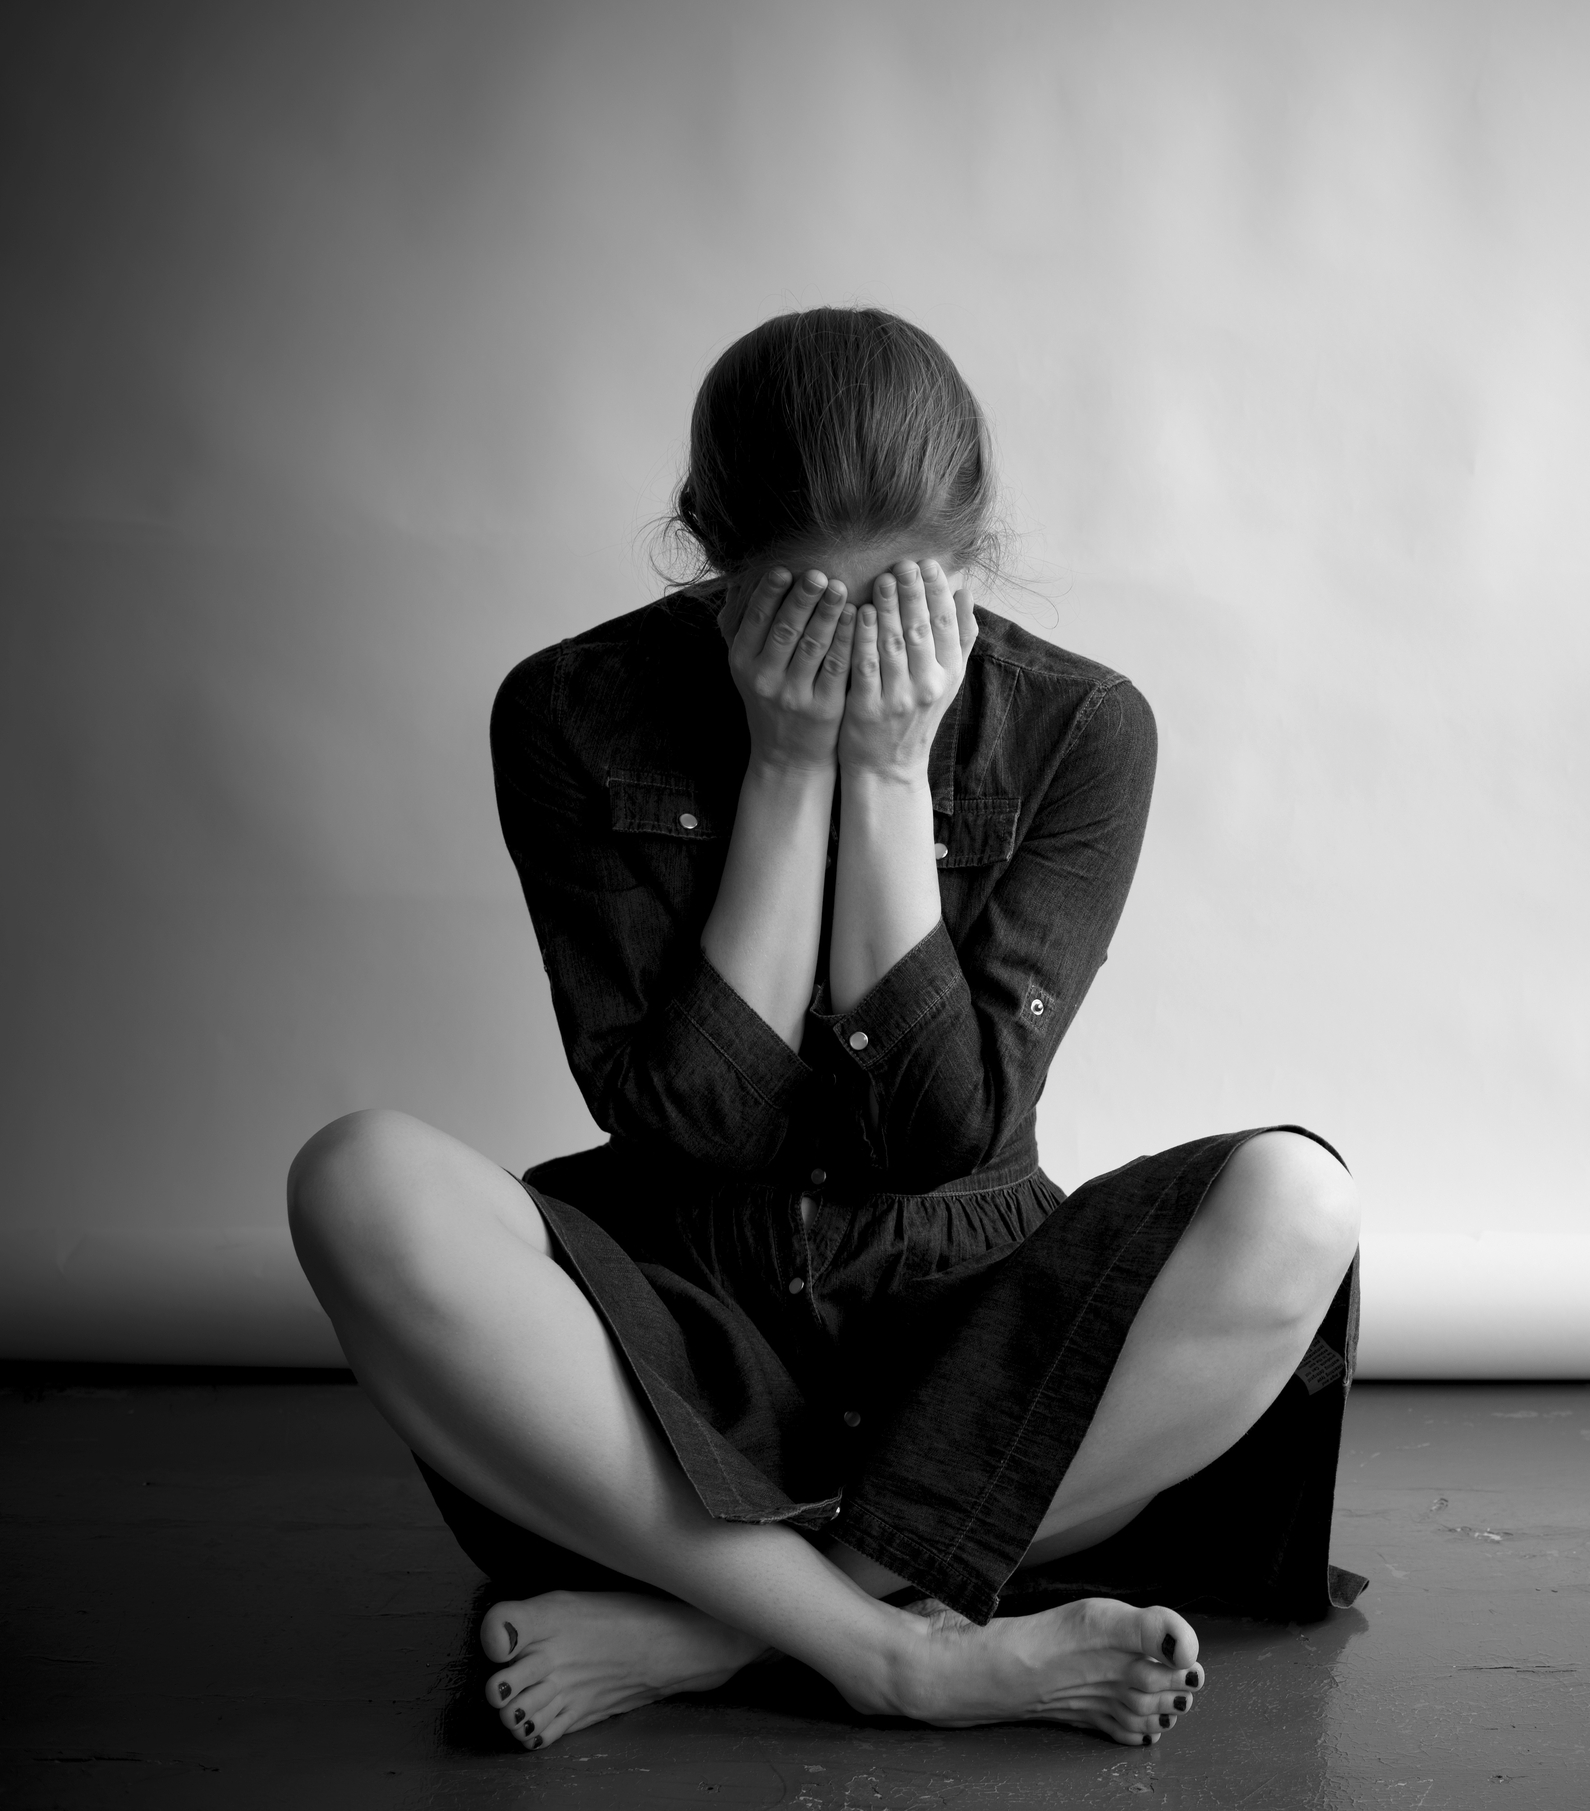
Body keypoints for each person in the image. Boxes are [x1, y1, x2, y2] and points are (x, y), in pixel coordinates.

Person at [286, 307, 1364, 1753]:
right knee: (357, 1176)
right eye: (797, 604)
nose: (854, 650)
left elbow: (943, 1132)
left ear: (970, 554)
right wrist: (792, 762)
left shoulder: (1079, 726)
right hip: (670, 1342)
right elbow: (686, 1122)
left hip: (969, 1331)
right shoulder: (569, 710)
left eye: (895, 603)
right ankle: (902, 1652)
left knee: (1300, 1201)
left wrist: (894, 774)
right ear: (706, 548)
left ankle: (720, 1626)